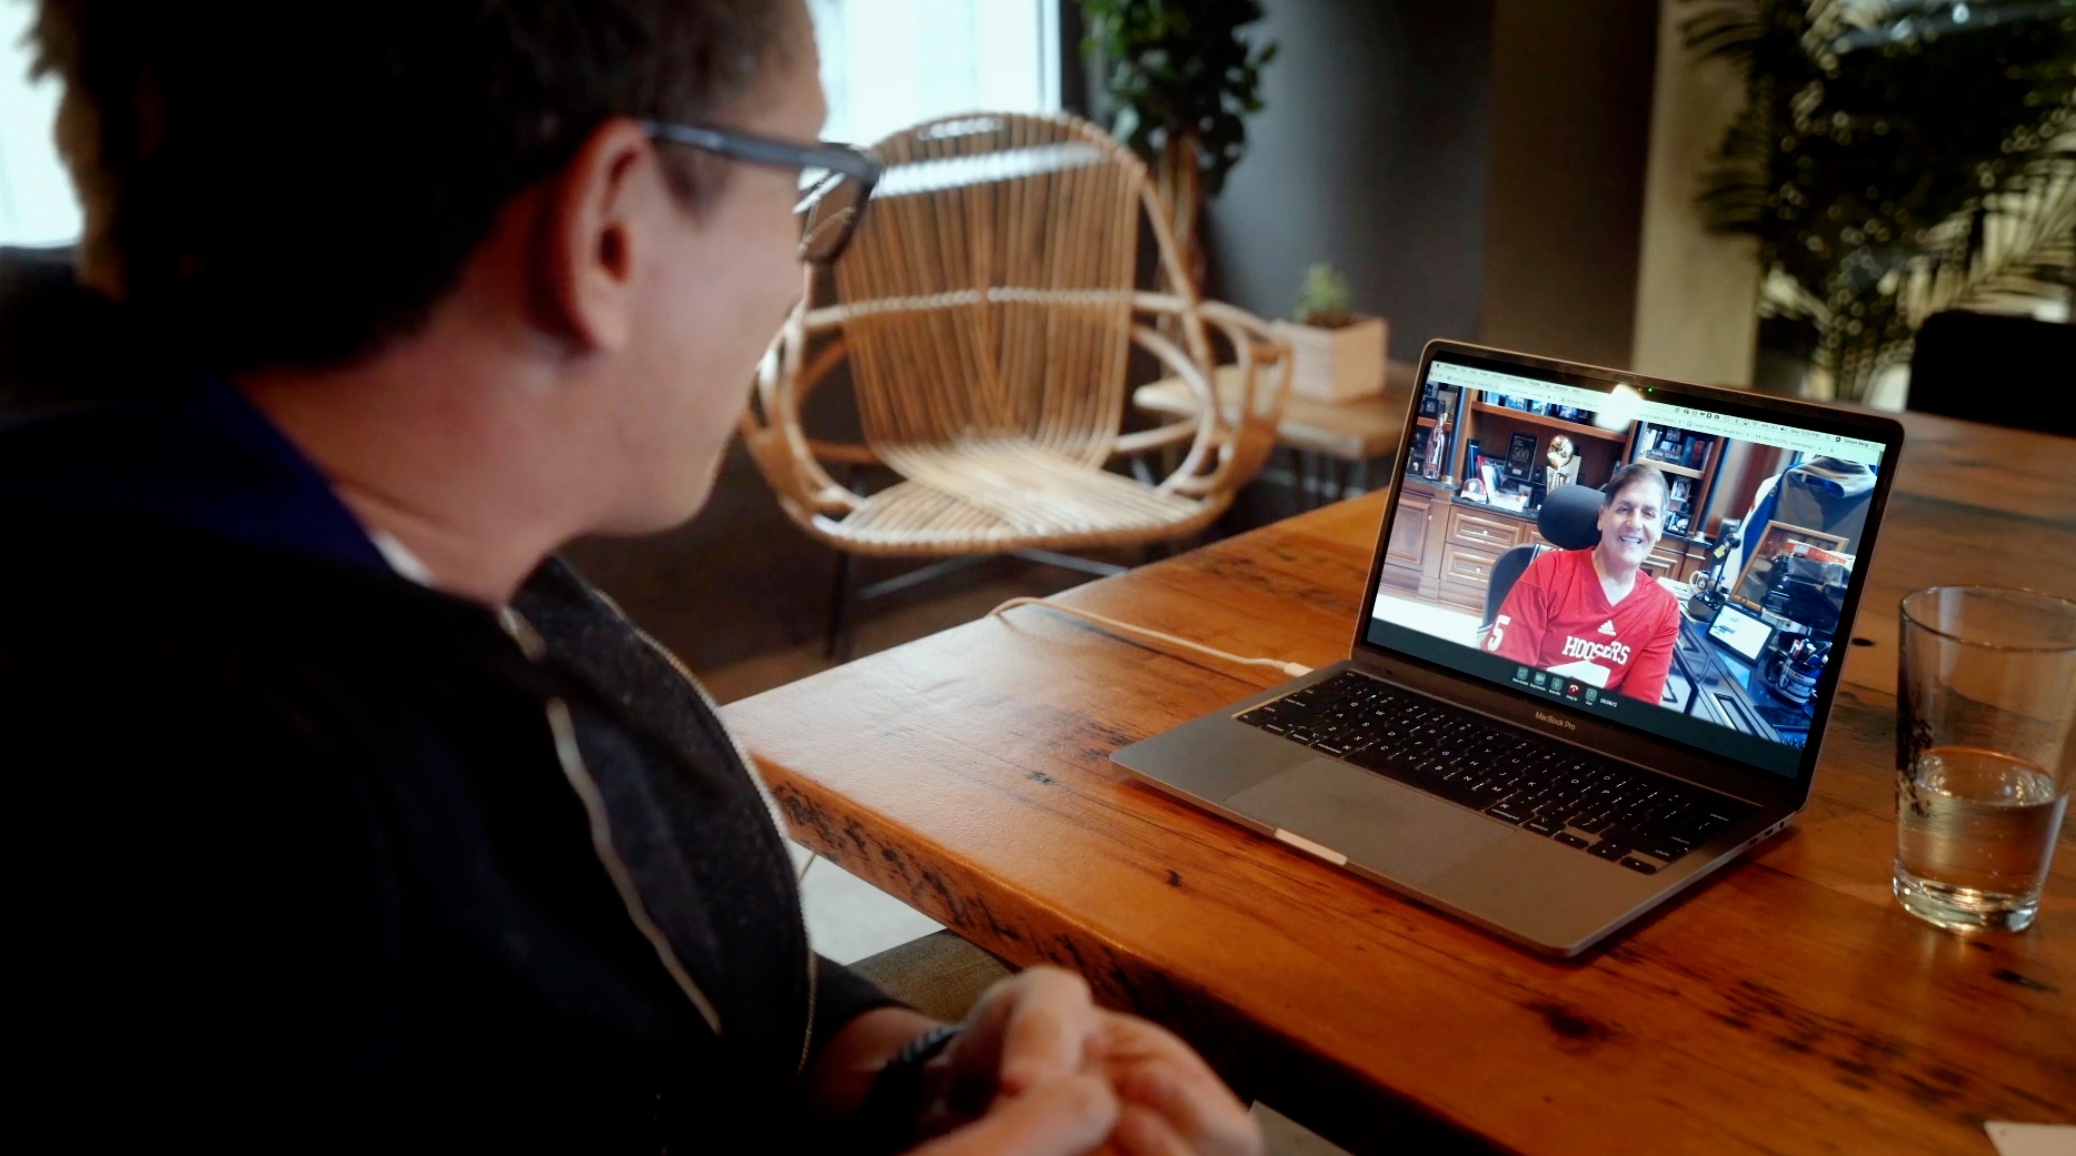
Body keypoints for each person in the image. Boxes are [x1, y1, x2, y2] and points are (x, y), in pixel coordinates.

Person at [0, 2, 1259, 1153]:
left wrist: (901, 1072)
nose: (797, 268)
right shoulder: (189, 841)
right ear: (611, 227)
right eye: (802, 181)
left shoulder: (379, 541)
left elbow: (633, 1006)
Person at [1484, 464, 1681, 704]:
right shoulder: (1548, 571)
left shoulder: (1664, 609)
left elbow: (1638, 712)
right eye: (1624, 509)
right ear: (1602, 517)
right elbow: (1504, 677)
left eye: (1648, 513)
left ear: (1660, 528)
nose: (1635, 523)